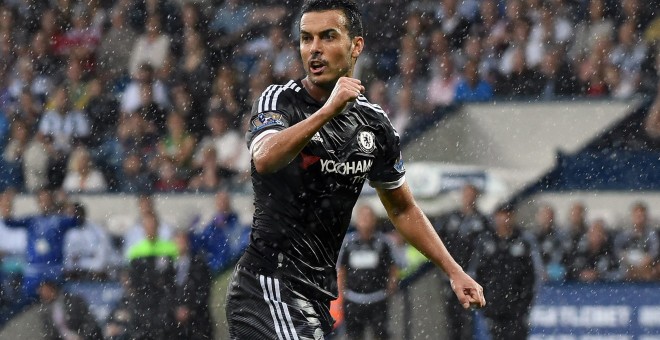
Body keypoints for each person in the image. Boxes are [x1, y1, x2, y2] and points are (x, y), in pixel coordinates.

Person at [225, 1, 486, 339]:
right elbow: (264, 157)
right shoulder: (279, 100)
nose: (314, 49)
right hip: (267, 286)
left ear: (356, 46)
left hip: (316, 295)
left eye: (327, 36)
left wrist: (454, 271)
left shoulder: (374, 125)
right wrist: (327, 111)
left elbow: (403, 208)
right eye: (306, 39)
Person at [469, 205, 540, 340]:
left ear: (512, 217)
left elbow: (532, 275)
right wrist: (484, 303)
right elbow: (477, 273)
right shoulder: (486, 241)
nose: (504, 219)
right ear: (495, 218)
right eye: (501, 215)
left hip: (517, 306)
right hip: (494, 305)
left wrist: (525, 303)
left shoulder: (523, 240)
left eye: (507, 215)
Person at [433, 183, 490, 340]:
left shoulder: (483, 221)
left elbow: (487, 250)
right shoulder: (449, 218)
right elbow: (436, 242)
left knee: (470, 319)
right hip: (450, 277)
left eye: (471, 194)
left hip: (473, 279)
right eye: (466, 194)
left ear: (476, 197)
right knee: (453, 320)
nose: (468, 198)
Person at [0, 189, 81, 300]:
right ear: (38, 202)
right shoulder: (32, 220)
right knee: (27, 302)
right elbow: (9, 222)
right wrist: (6, 205)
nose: (45, 203)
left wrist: (66, 202)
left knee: (57, 299)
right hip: (34, 270)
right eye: (42, 200)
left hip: (54, 269)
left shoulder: (59, 220)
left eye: (47, 200)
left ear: (52, 201)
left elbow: (76, 220)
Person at [337, 204, 398, 340]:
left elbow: (393, 266)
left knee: (380, 334)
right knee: (354, 335)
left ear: (374, 219)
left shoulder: (384, 242)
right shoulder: (348, 243)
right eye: (362, 217)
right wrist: (341, 291)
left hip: (378, 298)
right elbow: (341, 268)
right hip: (354, 299)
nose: (365, 220)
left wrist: (391, 285)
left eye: (368, 216)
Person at [38, 279, 103, 340]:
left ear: (53, 289)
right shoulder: (46, 311)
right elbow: (50, 333)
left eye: (46, 291)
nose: (44, 294)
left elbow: (90, 322)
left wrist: (82, 336)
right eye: (42, 292)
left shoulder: (74, 301)